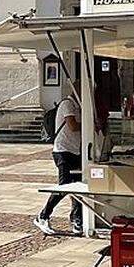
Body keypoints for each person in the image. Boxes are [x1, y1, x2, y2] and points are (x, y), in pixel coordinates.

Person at [34, 82, 83, 236]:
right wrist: (89, 123)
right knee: (64, 186)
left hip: (75, 150)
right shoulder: (68, 104)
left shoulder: (80, 106)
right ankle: (43, 216)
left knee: (78, 186)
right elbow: (73, 125)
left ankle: (77, 219)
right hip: (62, 151)